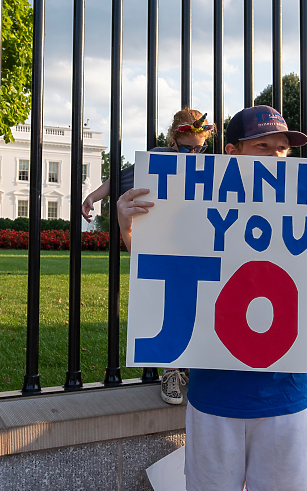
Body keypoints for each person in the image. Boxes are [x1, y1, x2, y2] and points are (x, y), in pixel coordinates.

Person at [116, 105, 307, 491]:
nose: (275, 156)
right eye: (263, 145)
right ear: (232, 152)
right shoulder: (195, 205)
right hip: (214, 397)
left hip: (287, 397)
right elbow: (166, 269)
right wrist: (128, 230)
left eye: (282, 149)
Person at [82, 108, 214, 405]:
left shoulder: (209, 164)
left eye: (199, 148)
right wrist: (93, 197)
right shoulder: (156, 158)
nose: (193, 154)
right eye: (186, 148)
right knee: (166, 302)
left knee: (195, 303)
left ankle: (188, 366)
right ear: (172, 140)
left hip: (197, 243)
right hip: (163, 242)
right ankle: (170, 371)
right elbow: (120, 178)